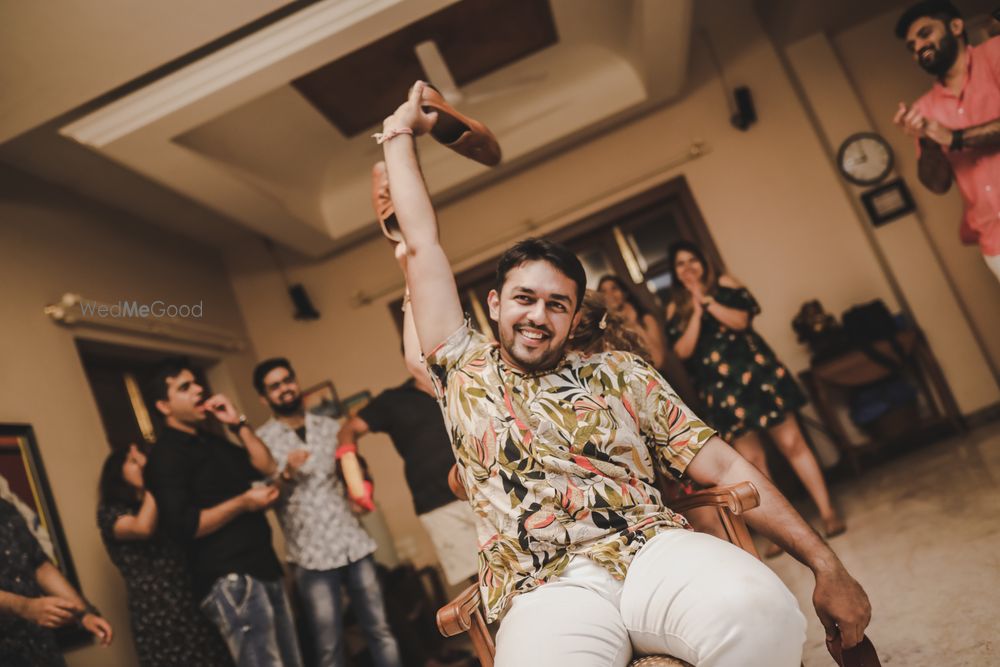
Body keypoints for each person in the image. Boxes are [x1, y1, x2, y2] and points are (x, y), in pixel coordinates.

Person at [376, 81, 870, 666]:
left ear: (573, 317)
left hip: (651, 550)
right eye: (524, 298)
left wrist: (826, 564)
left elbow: (724, 465)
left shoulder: (621, 372)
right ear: (494, 304)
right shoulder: (463, 367)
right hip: (542, 590)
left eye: (556, 304)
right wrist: (401, 132)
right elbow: (422, 243)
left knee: (763, 612)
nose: (537, 316)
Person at [664, 240, 845, 557]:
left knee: (793, 444)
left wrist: (706, 300)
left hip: (759, 378)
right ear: (674, 272)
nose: (688, 267)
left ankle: (827, 512)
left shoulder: (726, 284)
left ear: (704, 262)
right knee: (753, 463)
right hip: (722, 391)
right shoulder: (675, 308)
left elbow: (740, 322)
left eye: (693, 260)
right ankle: (779, 533)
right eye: (681, 263)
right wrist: (694, 309)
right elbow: (683, 351)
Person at [143, 361, 302, 667]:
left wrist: (238, 424)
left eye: (196, 383)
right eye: (185, 387)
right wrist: (243, 503)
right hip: (230, 578)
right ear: (164, 406)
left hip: (265, 566)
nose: (198, 390)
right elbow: (186, 527)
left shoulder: (212, 441)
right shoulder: (165, 458)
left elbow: (267, 466)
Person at [253, 358, 401, 667]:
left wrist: (360, 494)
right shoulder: (261, 443)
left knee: (380, 631)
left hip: (353, 543)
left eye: (288, 380)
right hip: (310, 556)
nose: (285, 389)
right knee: (329, 647)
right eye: (275, 386)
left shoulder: (331, 427)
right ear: (264, 398)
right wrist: (286, 474)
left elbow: (355, 470)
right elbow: (262, 498)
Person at [97, 444, 233, 667]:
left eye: (144, 461)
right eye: (133, 461)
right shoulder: (111, 511)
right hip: (156, 609)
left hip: (189, 597)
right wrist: (155, 481)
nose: (143, 465)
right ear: (117, 472)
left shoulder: (163, 504)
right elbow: (143, 528)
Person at [893, 0, 1000, 281]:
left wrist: (955, 138)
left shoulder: (995, 53)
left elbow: (952, 139)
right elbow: (938, 184)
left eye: (925, 34)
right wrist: (927, 141)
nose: (919, 47)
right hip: (995, 243)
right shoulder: (923, 108)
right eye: (911, 46)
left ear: (955, 26)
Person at [0, 497, 113, 667]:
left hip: (39, 646)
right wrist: (25, 607)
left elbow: (39, 565)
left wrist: (83, 613)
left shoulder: (5, 508)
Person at [597, 274, 667, 367]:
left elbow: (658, 360)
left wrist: (635, 325)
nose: (610, 294)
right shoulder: (604, 330)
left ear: (624, 292)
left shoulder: (645, 319)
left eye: (614, 288)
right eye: (604, 291)